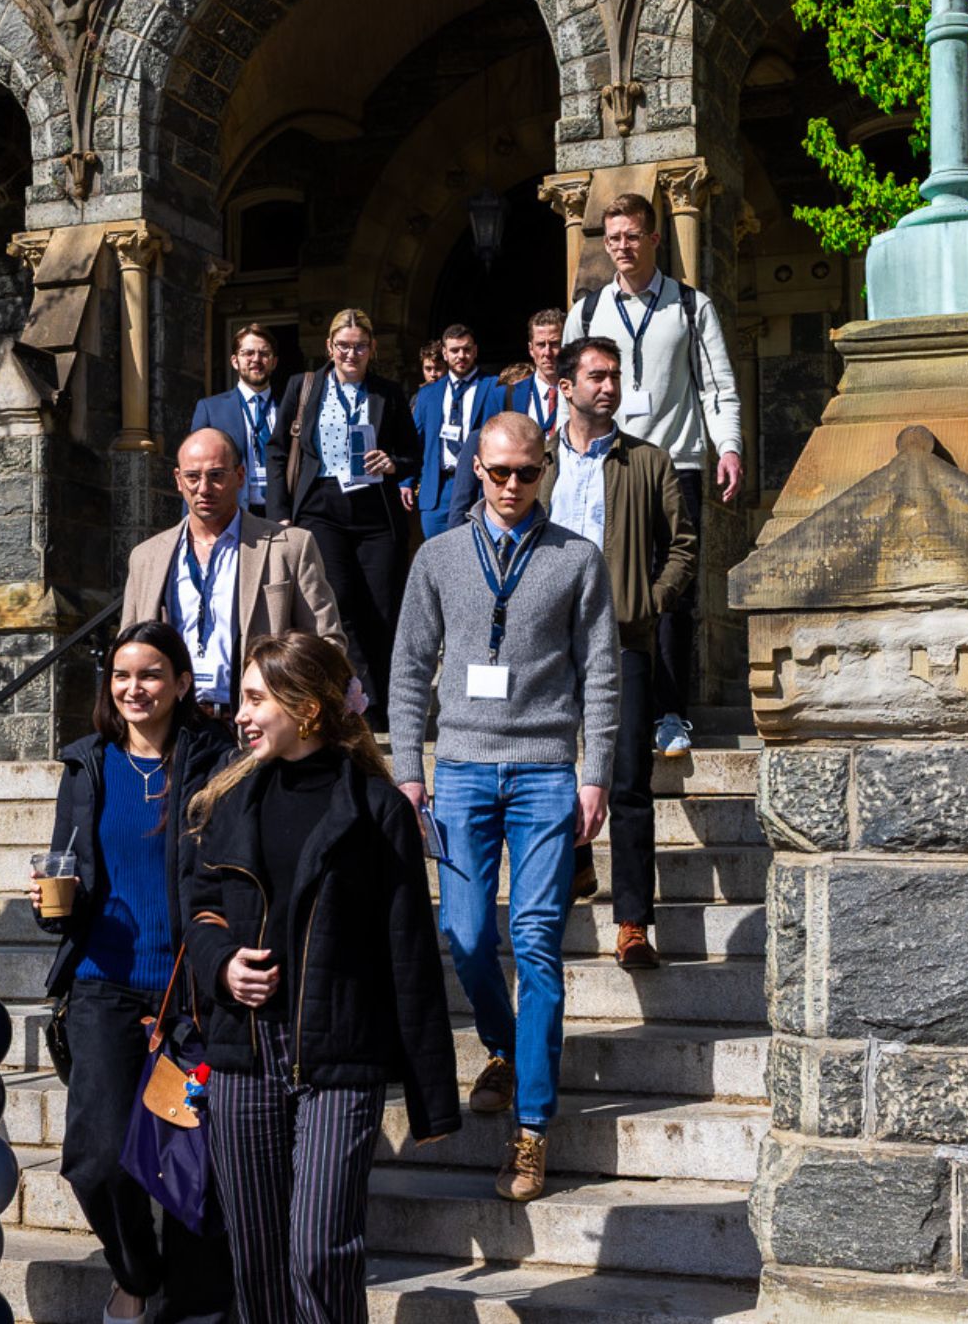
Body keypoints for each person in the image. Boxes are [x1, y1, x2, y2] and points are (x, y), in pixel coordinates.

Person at [185, 632, 459, 1324]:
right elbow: (199, 910)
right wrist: (221, 968)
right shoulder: (224, 800)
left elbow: (411, 951)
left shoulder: (377, 809)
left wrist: (431, 1093)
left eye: (255, 699)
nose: (240, 714)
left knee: (320, 1253)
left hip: (340, 1057)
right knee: (256, 1259)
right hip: (243, 1052)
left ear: (305, 707)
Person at [386, 412, 616, 1203]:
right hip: (460, 771)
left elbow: (601, 673)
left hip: (548, 771)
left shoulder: (576, 559)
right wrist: (408, 769)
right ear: (475, 470)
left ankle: (531, 1130)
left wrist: (597, 774)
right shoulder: (438, 557)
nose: (512, 486)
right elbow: (411, 666)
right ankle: (501, 1044)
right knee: (466, 931)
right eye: (498, 472)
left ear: (544, 469)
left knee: (539, 942)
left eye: (526, 472)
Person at [33, 623, 236, 1324]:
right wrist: (52, 904)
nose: (133, 688)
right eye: (121, 675)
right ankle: (137, 1271)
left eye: (150, 674)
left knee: (186, 1164)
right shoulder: (87, 765)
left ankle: (195, 1300)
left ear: (183, 683)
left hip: (190, 989)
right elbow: (70, 872)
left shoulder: (217, 762)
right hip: (102, 982)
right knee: (94, 1158)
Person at [566, 193, 742, 761]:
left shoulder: (691, 306)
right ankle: (597, 709)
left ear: (653, 239)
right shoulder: (588, 311)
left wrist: (729, 447)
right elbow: (565, 388)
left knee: (672, 593)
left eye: (631, 236)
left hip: (676, 462)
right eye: (612, 237)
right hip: (609, 463)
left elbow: (718, 388)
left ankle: (670, 714)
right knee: (596, 586)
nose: (621, 246)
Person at [544, 336, 695, 969]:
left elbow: (684, 546)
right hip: (545, 640)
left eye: (615, 377)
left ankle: (633, 922)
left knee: (629, 782)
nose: (608, 387)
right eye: (597, 377)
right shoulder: (538, 461)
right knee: (550, 772)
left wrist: (652, 601)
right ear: (567, 386)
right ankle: (573, 868)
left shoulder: (649, 462)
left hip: (622, 639)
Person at [124, 429, 348, 720]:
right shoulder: (147, 557)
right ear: (178, 480)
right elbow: (127, 649)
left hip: (255, 726)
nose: (203, 488)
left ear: (240, 476)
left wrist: (292, 705)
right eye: (192, 477)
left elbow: (327, 643)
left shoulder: (290, 547)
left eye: (216, 475)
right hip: (172, 725)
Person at [269, 309, 418, 696]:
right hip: (321, 504)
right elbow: (277, 452)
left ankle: (383, 699)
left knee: (382, 604)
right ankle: (351, 696)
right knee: (337, 601)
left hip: (373, 508)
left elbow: (412, 454)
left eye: (360, 347)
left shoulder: (388, 393)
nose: (351, 355)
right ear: (329, 347)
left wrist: (391, 463)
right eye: (344, 346)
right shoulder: (301, 388)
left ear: (372, 350)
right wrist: (280, 514)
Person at [405, 322, 504, 539]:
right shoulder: (428, 394)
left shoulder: (495, 387)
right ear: (445, 353)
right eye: (455, 350)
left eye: (466, 349)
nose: (461, 355)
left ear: (475, 351)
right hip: (437, 491)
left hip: (478, 489)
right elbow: (414, 443)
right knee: (438, 558)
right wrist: (406, 482)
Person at [191, 323, 287, 519]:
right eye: (248, 353)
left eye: (264, 353)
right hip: (230, 514)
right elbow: (195, 467)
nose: (256, 359)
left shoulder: (290, 408)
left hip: (283, 516)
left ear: (274, 362)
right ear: (235, 361)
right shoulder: (211, 409)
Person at [499, 308, 568, 439]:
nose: (547, 353)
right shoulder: (508, 396)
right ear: (531, 349)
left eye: (554, 344)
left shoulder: (579, 393)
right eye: (541, 345)